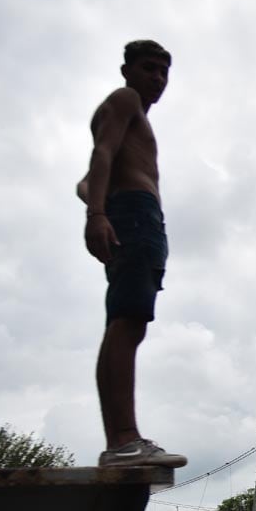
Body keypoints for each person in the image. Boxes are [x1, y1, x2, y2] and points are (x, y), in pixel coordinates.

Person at [77, 40, 187, 468]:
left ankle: (123, 440)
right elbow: (100, 154)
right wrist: (97, 214)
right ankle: (124, 440)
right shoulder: (124, 100)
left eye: (163, 71)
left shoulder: (130, 116)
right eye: (148, 68)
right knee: (127, 323)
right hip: (136, 215)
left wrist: (96, 202)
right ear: (127, 71)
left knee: (130, 323)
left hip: (139, 217)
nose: (157, 78)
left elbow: (86, 179)